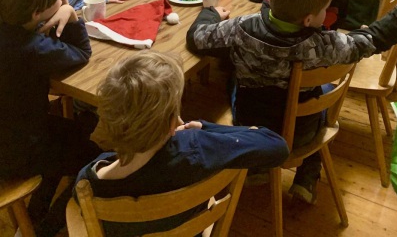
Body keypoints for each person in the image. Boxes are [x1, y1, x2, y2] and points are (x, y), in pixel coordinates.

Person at [187, 0, 397, 205]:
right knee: (324, 92)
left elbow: (197, 38)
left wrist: (210, 13)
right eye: (325, 9)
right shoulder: (325, 46)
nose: (327, 13)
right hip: (302, 133)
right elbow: (373, 39)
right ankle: (307, 176)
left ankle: (257, 166)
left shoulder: (240, 27)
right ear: (309, 19)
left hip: (251, 128)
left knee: (233, 81)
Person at [75, 51, 289, 235]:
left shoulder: (90, 181)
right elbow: (277, 146)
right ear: (172, 123)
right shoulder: (195, 147)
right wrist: (205, 127)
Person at [0, 0, 100, 237]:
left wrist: (59, 7)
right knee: (96, 158)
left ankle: (33, 217)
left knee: (75, 134)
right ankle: (46, 228)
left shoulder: (13, 28)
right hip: (16, 149)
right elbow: (82, 53)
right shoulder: (30, 48)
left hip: (11, 131)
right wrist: (71, 13)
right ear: (36, 13)